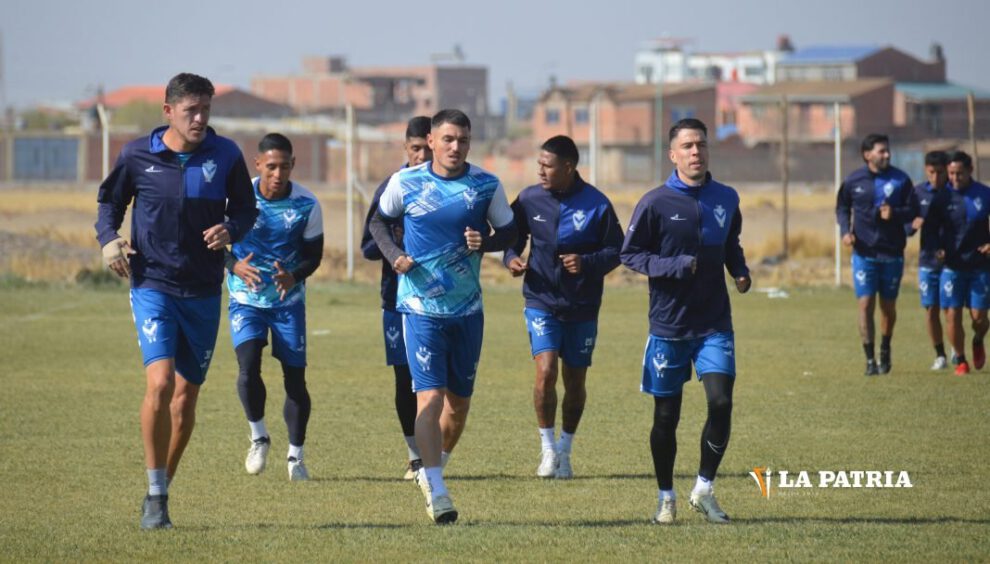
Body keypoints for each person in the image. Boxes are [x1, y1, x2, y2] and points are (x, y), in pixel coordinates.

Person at [95, 73, 257, 529]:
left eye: (206, 109)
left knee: (185, 400)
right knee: (161, 383)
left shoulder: (225, 155)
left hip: (204, 290)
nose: (201, 118)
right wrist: (109, 240)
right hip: (153, 285)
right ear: (168, 111)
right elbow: (109, 204)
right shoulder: (137, 155)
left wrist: (232, 230)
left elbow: (245, 209)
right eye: (191, 111)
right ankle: (154, 491)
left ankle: (160, 491)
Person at [369, 109, 516, 524]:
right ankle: (435, 487)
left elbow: (510, 231)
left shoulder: (485, 185)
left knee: (459, 405)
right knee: (429, 397)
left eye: (463, 140)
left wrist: (486, 241)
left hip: (468, 309)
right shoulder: (406, 183)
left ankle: (434, 469)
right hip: (420, 308)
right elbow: (379, 221)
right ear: (431, 141)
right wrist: (396, 256)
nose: (456, 147)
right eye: (448, 139)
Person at [620, 118, 750, 525]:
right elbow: (630, 255)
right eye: (688, 146)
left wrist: (739, 270)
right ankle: (665, 496)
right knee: (666, 417)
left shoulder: (726, 197)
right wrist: (674, 265)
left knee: (721, 402)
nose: (696, 152)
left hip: (714, 323)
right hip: (669, 326)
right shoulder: (655, 202)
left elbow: (731, 243)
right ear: (673, 155)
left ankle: (704, 489)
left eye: (702, 145)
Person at [502, 135, 623, 479]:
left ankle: (566, 451)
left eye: (547, 165)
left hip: (582, 306)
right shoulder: (528, 199)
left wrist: (586, 262)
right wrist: (511, 258)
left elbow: (618, 250)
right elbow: (513, 237)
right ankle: (547, 449)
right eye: (538, 164)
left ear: (568, 167)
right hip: (541, 299)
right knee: (545, 372)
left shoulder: (597, 204)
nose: (540, 170)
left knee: (575, 380)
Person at [226, 133, 324, 481]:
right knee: (248, 365)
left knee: (294, 379)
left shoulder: (307, 204)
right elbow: (214, 242)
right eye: (271, 166)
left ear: (293, 165)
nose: (277, 173)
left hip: (287, 303)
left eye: (284, 166)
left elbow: (314, 256)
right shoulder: (236, 199)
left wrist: (293, 276)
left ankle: (296, 458)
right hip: (245, 299)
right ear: (258, 165)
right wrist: (233, 265)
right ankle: (259, 437)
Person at [361, 116, 432, 480]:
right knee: (405, 379)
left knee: (436, 383)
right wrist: (396, 248)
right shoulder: (393, 187)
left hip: (442, 300)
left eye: (427, 148)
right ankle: (415, 455)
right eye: (415, 148)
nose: (422, 156)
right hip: (397, 301)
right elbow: (368, 247)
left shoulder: (450, 188)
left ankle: (435, 452)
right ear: (406, 148)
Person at [835, 133, 918, 376]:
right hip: (864, 253)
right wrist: (845, 231)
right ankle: (870, 358)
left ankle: (885, 346)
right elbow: (842, 207)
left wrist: (895, 214)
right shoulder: (854, 180)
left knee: (888, 307)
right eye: (881, 151)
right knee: (865, 303)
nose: (887, 155)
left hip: (891, 253)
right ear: (867, 154)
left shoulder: (901, 179)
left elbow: (913, 211)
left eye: (887, 151)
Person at [927, 151, 990, 375]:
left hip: (979, 265)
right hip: (951, 267)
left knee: (979, 318)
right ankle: (961, 360)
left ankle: (978, 338)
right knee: (952, 314)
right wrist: (937, 250)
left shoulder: (984, 194)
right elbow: (930, 230)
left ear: (970, 171)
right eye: (951, 173)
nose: (954, 178)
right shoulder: (941, 198)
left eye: (959, 173)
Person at [908, 151, 950, 370]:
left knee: (951, 309)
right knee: (931, 309)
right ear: (926, 170)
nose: (936, 177)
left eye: (940, 173)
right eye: (931, 173)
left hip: (954, 262)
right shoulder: (918, 193)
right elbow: (907, 225)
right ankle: (940, 354)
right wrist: (911, 226)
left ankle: (957, 348)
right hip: (928, 261)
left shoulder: (955, 192)